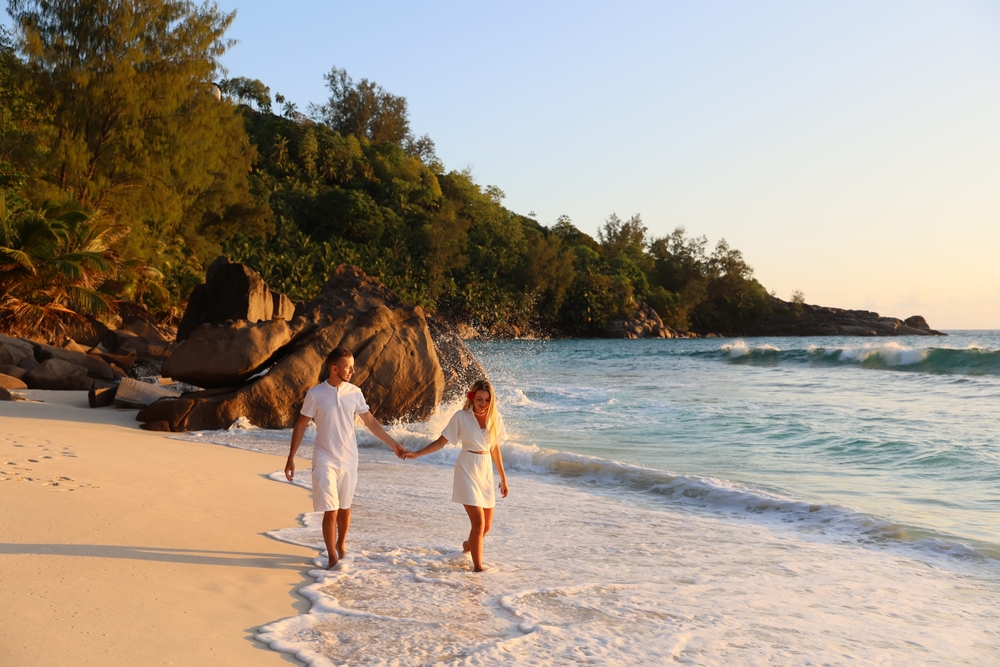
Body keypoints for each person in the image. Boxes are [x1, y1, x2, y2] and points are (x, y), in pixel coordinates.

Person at [285, 347, 404, 569]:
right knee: (330, 510)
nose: (352, 370)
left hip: (349, 459)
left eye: (352, 366)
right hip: (324, 459)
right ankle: (332, 558)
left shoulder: (354, 392)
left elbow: (371, 422)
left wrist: (393, 444)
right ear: (334, 368)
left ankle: (341, 544)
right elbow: (301, 426)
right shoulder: (315, 394)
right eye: (348, 367)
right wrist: (291, 457)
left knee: (345, 509)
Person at [403, 379, 509, 572]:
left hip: (485, 470)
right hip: (467, 468)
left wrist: (503, 478)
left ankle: (468, 546)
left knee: (486, 528)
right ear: (472, 397)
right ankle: (478, 568)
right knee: (478, 523)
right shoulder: (461, 417)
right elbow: (442, 441)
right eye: (479, 399)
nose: (483, 404)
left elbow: (495, 448)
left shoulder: (495, 418)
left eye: (487, 400)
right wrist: (417, 453)